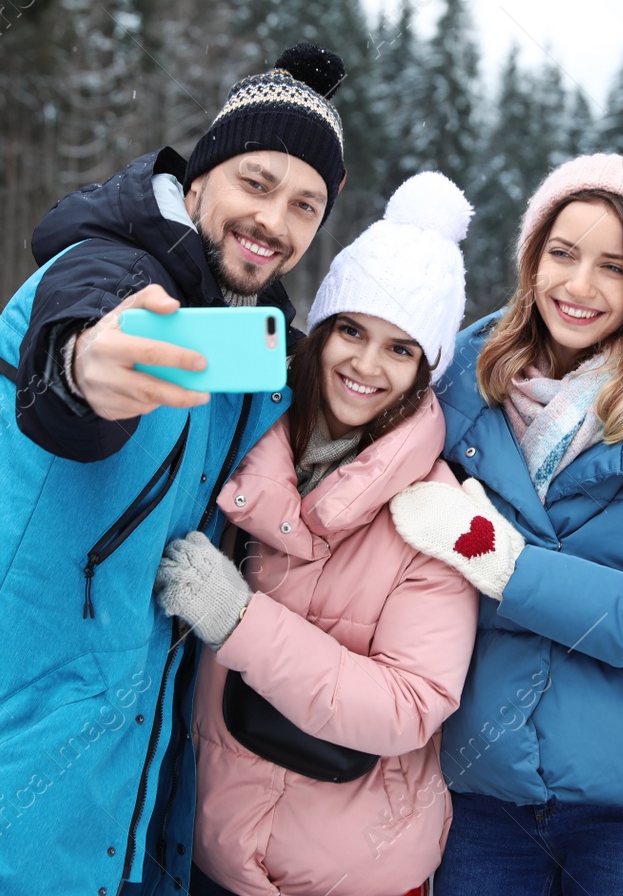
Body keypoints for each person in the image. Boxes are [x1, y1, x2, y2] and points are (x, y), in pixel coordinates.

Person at [0, 45, 349, 896]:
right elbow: (67, 368)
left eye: (305, 204)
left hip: (96, 819)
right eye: (257, 183)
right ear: (198, 181)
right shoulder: (110, 270)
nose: (275, 220)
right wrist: (87, 366)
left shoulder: (243, 354)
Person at [389, 154, 623, 896]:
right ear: (532, 260)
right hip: (483, 797)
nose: (579, 286)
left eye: (613, 267)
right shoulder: (460, 385)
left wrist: (508, 566)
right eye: (562, 253)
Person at [151, 172, 481, 896]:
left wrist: (239, 620)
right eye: (354, 331)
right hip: (203, 850)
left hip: (351, 873)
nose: (365, 365)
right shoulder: (242, 437)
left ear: (426, 371)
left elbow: (412, 703)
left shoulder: (434, 513)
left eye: (401, 350)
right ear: (323, 328)